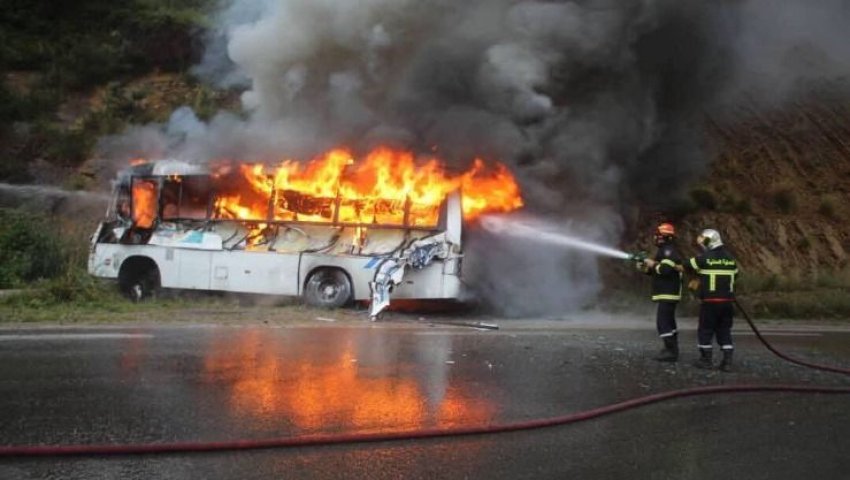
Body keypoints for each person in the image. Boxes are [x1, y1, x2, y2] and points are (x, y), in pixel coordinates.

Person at [686, 229, 739, 372]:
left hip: (710, 303)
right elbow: (735, 276)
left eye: (704, 241)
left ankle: (706, 360)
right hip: (727, 303)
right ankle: (727, 362)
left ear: (709, 241)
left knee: (705, 330)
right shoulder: (730, 259)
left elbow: (687, 265)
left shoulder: (704, 258)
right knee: (724, 330)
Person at [639, 223, 684, 362]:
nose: (655, 238)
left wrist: (652, 264)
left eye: (657, 235)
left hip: (668, 292)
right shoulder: (665, 251)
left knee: (663, 322)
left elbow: (664, 270)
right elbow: (658, 271)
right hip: (667, 292)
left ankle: (670, 351)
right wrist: (645, 268)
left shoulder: (668, 251)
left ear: (663, 237)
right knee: (669, 322)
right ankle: (672, 349)